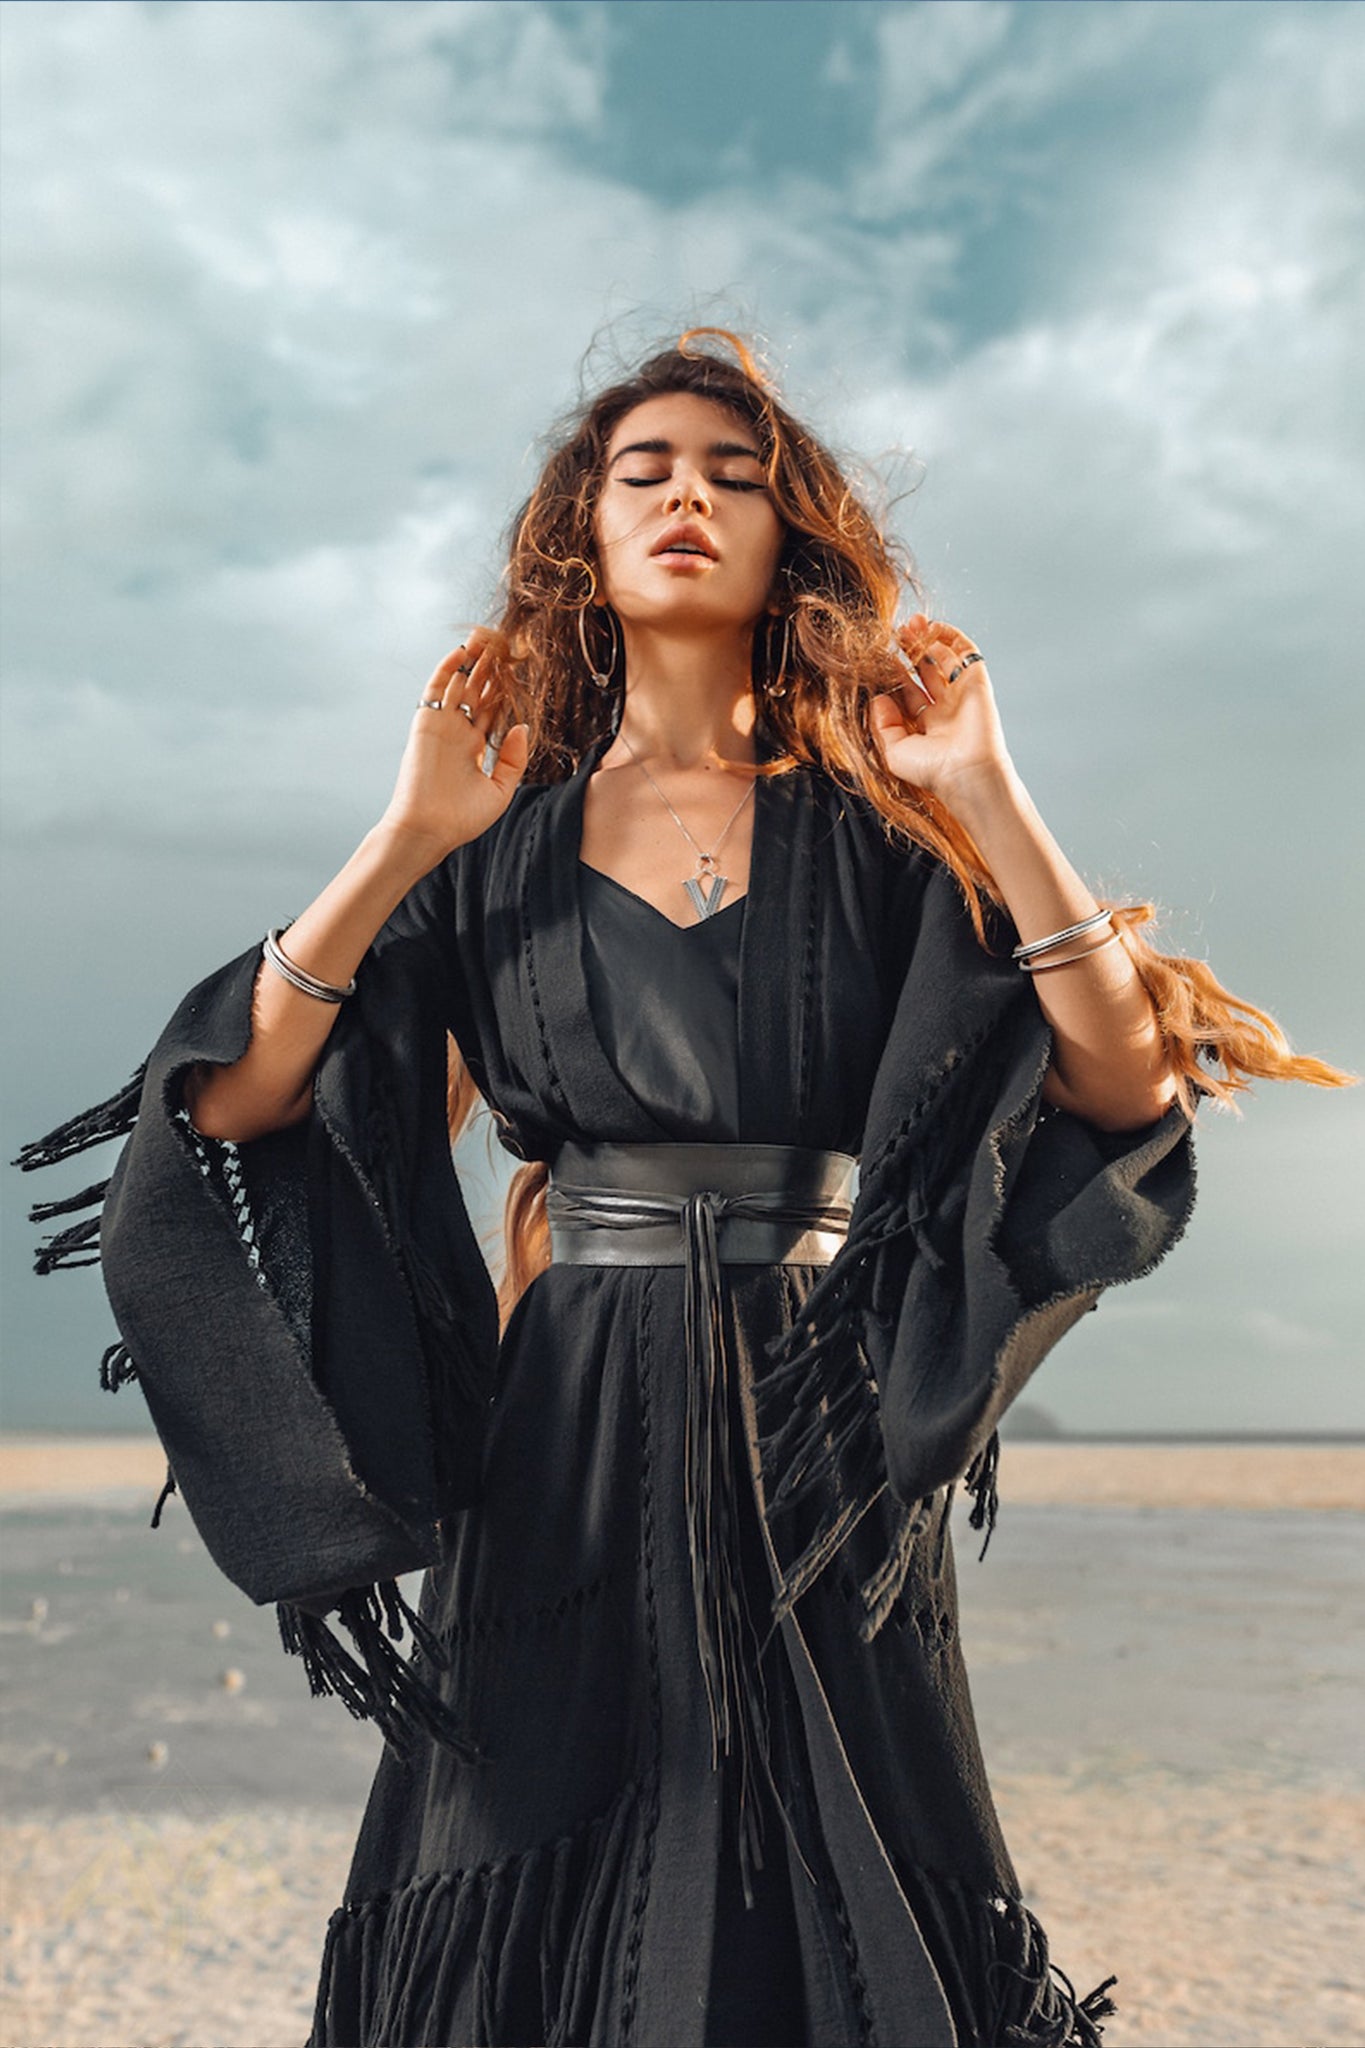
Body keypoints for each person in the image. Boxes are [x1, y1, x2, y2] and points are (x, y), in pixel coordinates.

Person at [19, 329, 1350, 2048]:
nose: (688, 500)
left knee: (857, 1834)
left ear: (788, 534)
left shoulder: (887, 835)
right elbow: (246, 1096)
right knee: (521, 1835)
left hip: (823, 1412)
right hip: (560, 1408)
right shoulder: (490, 839)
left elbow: (1116, 1087)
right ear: (584, 534)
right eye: (643, 472)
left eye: (731, 475)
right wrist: (406, 834)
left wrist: (991, 794)